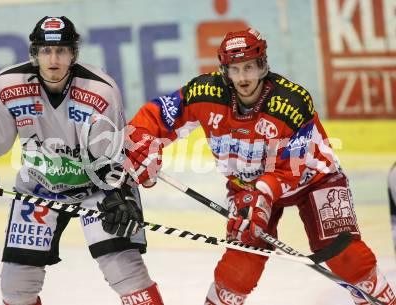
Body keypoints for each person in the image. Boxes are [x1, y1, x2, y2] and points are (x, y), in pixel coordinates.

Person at [125, 27, 395, 304]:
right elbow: (158, 115)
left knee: (346, 256)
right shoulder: (204, 92)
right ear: (224, 71)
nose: (243, 77)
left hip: (315, 179)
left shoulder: (291, 102)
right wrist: (142, 143)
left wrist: (262, 199)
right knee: (240, 265)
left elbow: (291, 168)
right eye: (235, 69)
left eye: (249, 67)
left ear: (263, 66)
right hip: (248, 186)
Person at [0, 16, 164, 305]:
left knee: (128, 275)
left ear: (73, 54)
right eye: (45, 51)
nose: (53, 60)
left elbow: (114, 158)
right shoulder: (7, 86)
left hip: (96, 192)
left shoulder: (101, 90)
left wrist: (120, 195)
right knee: (16, 288)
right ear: (34, 53)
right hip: (38, 189)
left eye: (62, 51)